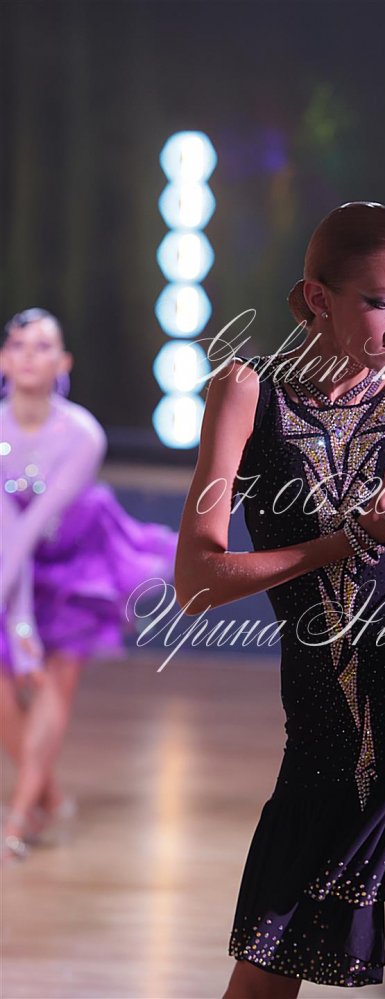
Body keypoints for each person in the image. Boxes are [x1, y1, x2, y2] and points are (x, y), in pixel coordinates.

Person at [175, 202, 385, 996]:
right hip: (327, 741)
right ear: (317, 298)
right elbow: (196, 583)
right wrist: (350, 539)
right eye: (380, 300)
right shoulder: (247, 392)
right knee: (261, 980)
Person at [0, 308, 179, 864]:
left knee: (54, 680)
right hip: (10, 565)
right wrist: (18, 624)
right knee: (4, 687)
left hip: (75, 558)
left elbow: (34, 525)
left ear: (64, 362)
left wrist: (28, 634)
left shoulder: (83, 434)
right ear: (4, 359)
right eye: (19, 345)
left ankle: (19, 815)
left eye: (43, 346)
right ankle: (48, 796)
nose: (30, 356)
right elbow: (9, 538)